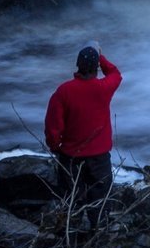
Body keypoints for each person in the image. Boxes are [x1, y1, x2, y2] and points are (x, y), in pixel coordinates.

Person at [44, 43, 121, 233]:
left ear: (77, 65)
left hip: (71, 157)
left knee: (71, 199)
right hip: (100, 157)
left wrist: (55, 146)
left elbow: (53, 126)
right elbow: (116, 74)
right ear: (96, 68)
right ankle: (98, 233)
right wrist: (101, 57)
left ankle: (70, 235)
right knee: (100, 198)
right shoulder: (104, 88)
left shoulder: (63, 91)